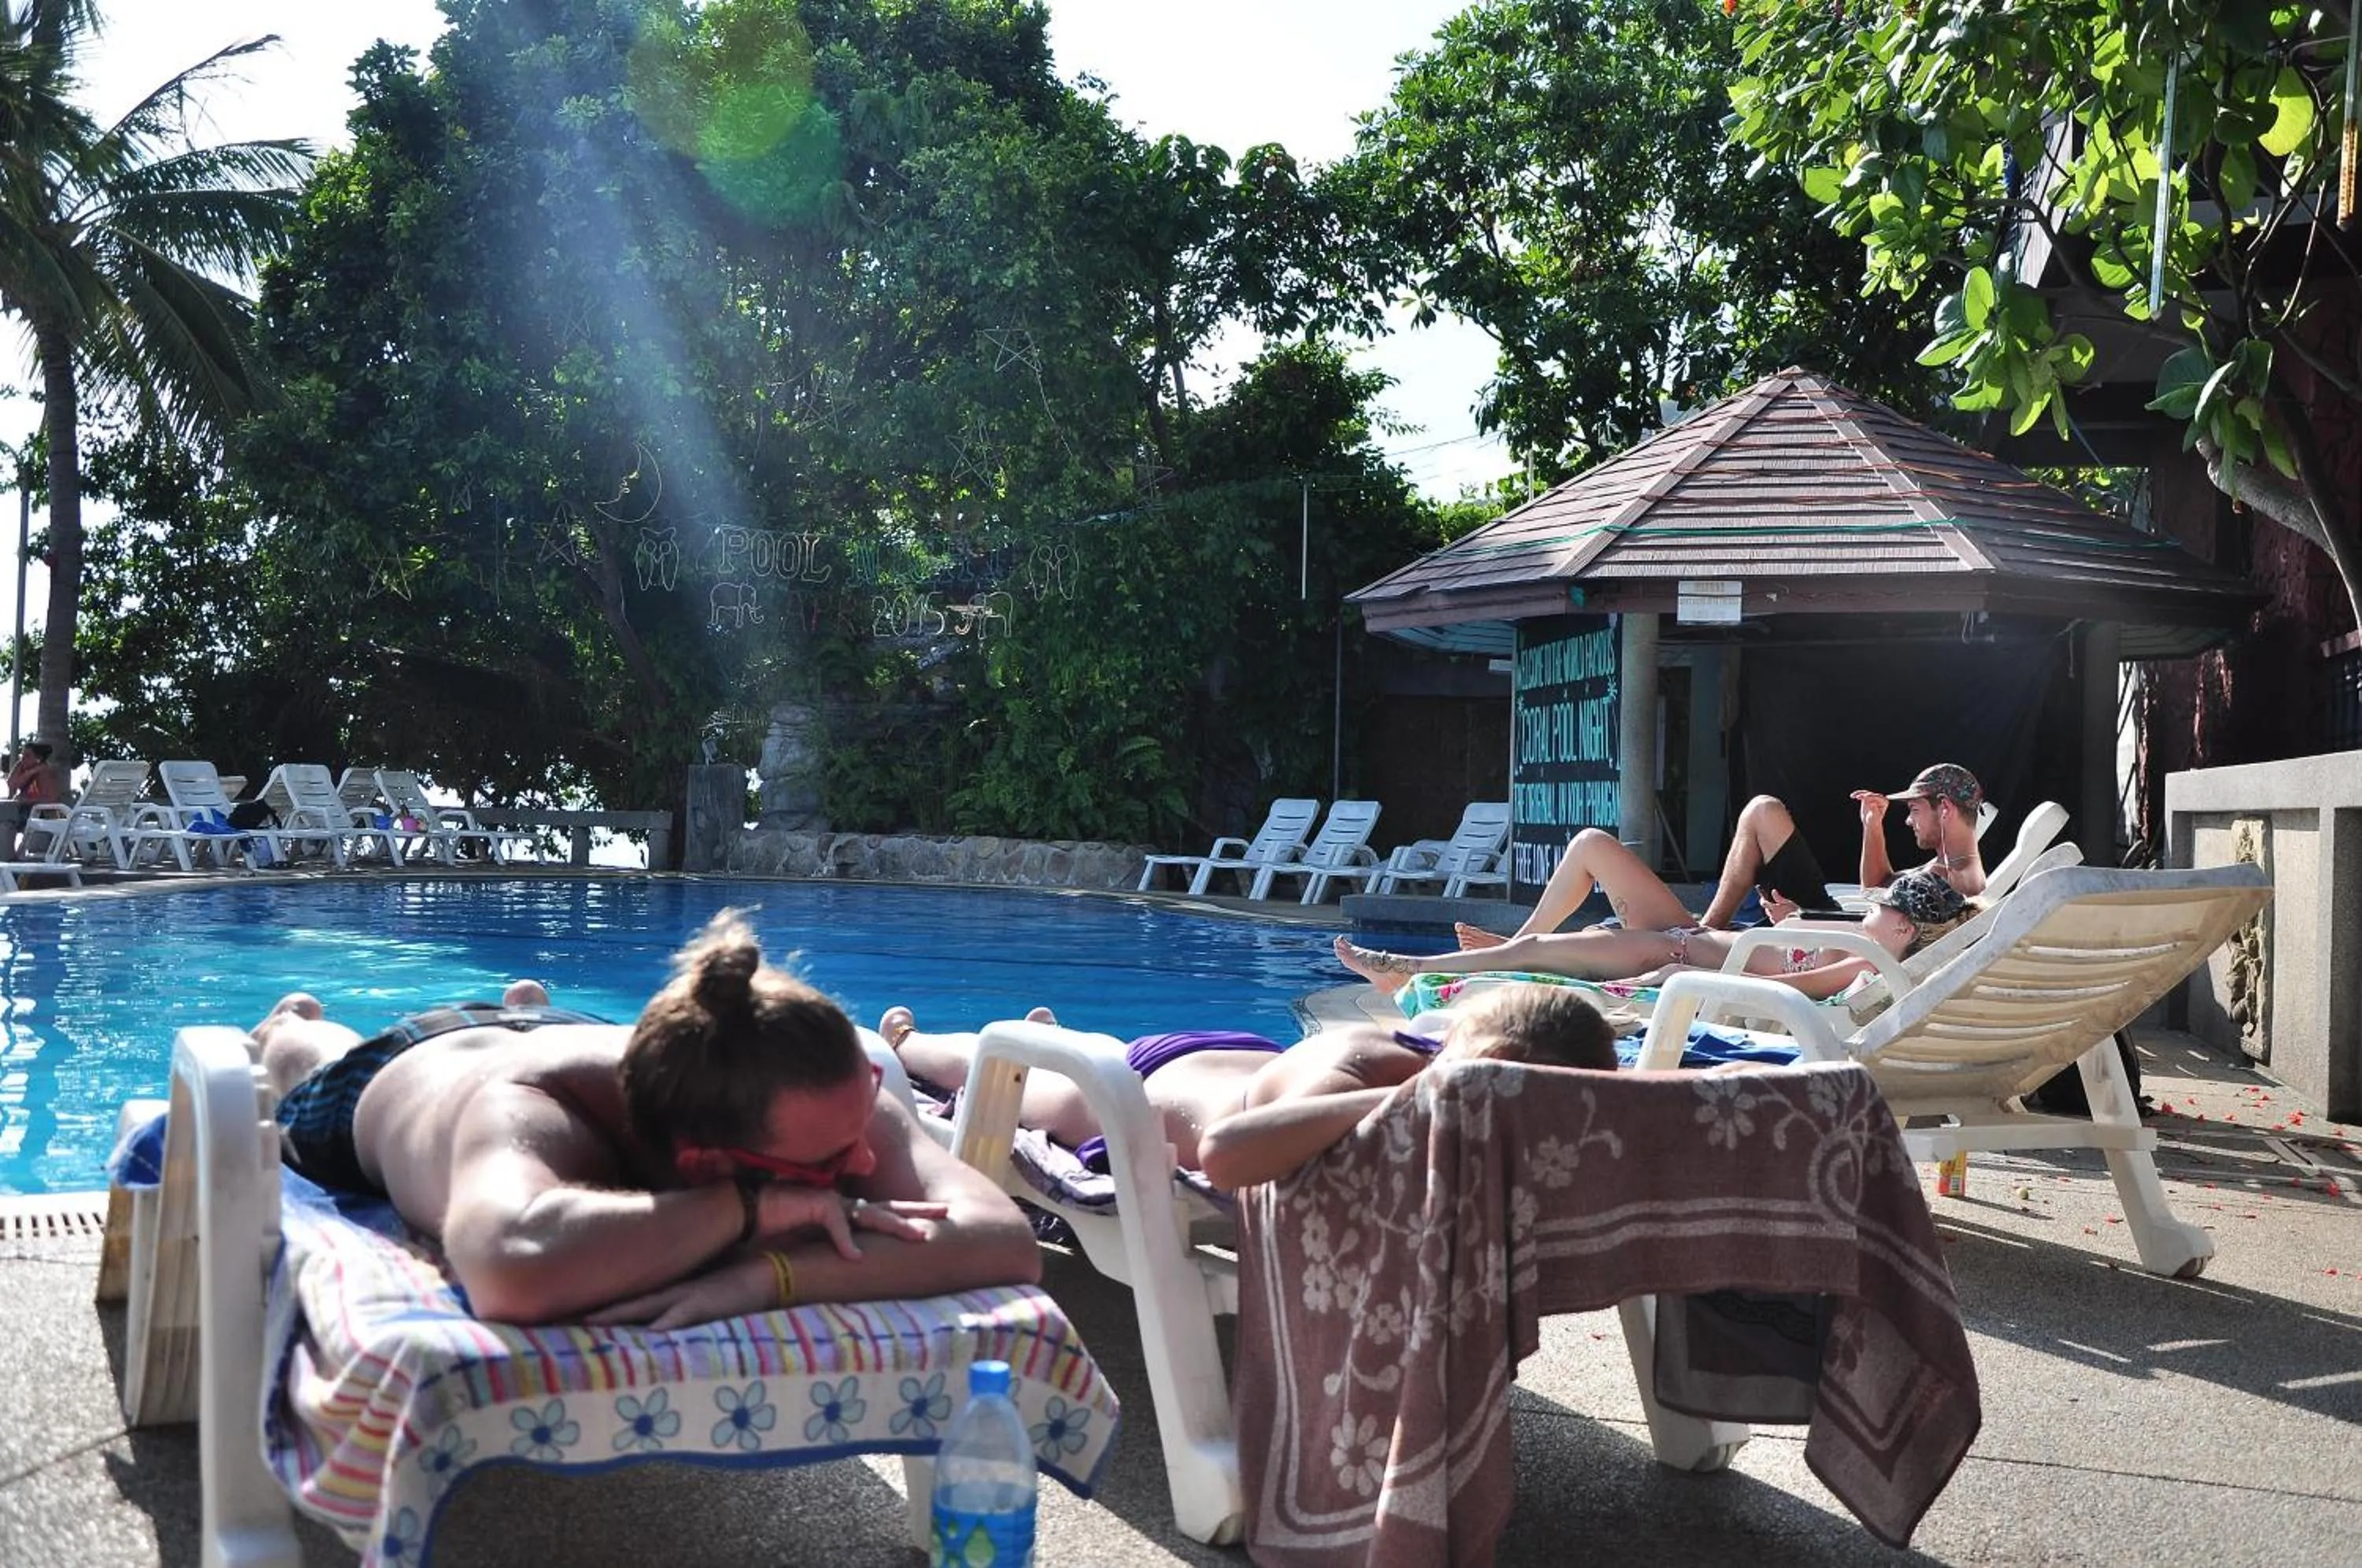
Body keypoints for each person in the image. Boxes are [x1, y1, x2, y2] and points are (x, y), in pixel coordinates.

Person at [252, 911, 1041, 1329]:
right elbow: (509, 1268)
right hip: (411, 1069)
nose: (864, 1163)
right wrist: (746, 1214)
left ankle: (528, 1003)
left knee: (535, 1015)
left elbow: (1001, 1238)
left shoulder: (807, 1090)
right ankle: (288, 1022)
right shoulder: (529, 1116)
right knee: (311, 1058)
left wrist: (770, 1274)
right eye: (831, 1161)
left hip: (582, 1025)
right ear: (702, 1163)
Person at [880, 982, 1620, 1193]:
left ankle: (1054, 1030)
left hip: (1227, 1068)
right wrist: (1442, 1091)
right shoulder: (1363, 1074)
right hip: (1137, 1090)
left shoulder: (1415, 1062)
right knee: (991, 1063)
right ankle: (910, 1043)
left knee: (1077, 1047)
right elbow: (1227, 1155)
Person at [1460, 761, 1990, 950]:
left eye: (1914, 810)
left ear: (1943, 809)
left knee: (1592, 851)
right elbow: (1880, 891)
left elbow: (1890, 940)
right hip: (1816, 925)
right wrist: (1871, 826)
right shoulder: (1951, 872)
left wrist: (1803, 923)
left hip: (1812, 935)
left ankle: (1521, 946)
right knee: (1761, 809)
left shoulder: (1962, 879)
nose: (1908, 818)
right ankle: (1704, 923)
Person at [1340, 864, 1974, 1004]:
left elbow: (1795, 987)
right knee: (1592, 847)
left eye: (1883, 905)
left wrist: (1679, 973)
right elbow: (1781, 959)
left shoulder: (1866, 966)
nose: (1874, 903)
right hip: (1688, 934)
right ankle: (1512, 946)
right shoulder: (1866, 944)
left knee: (1545, 956)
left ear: (1901, 926)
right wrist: (1786, 926)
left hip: (1670, 949)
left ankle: (1408, 968)